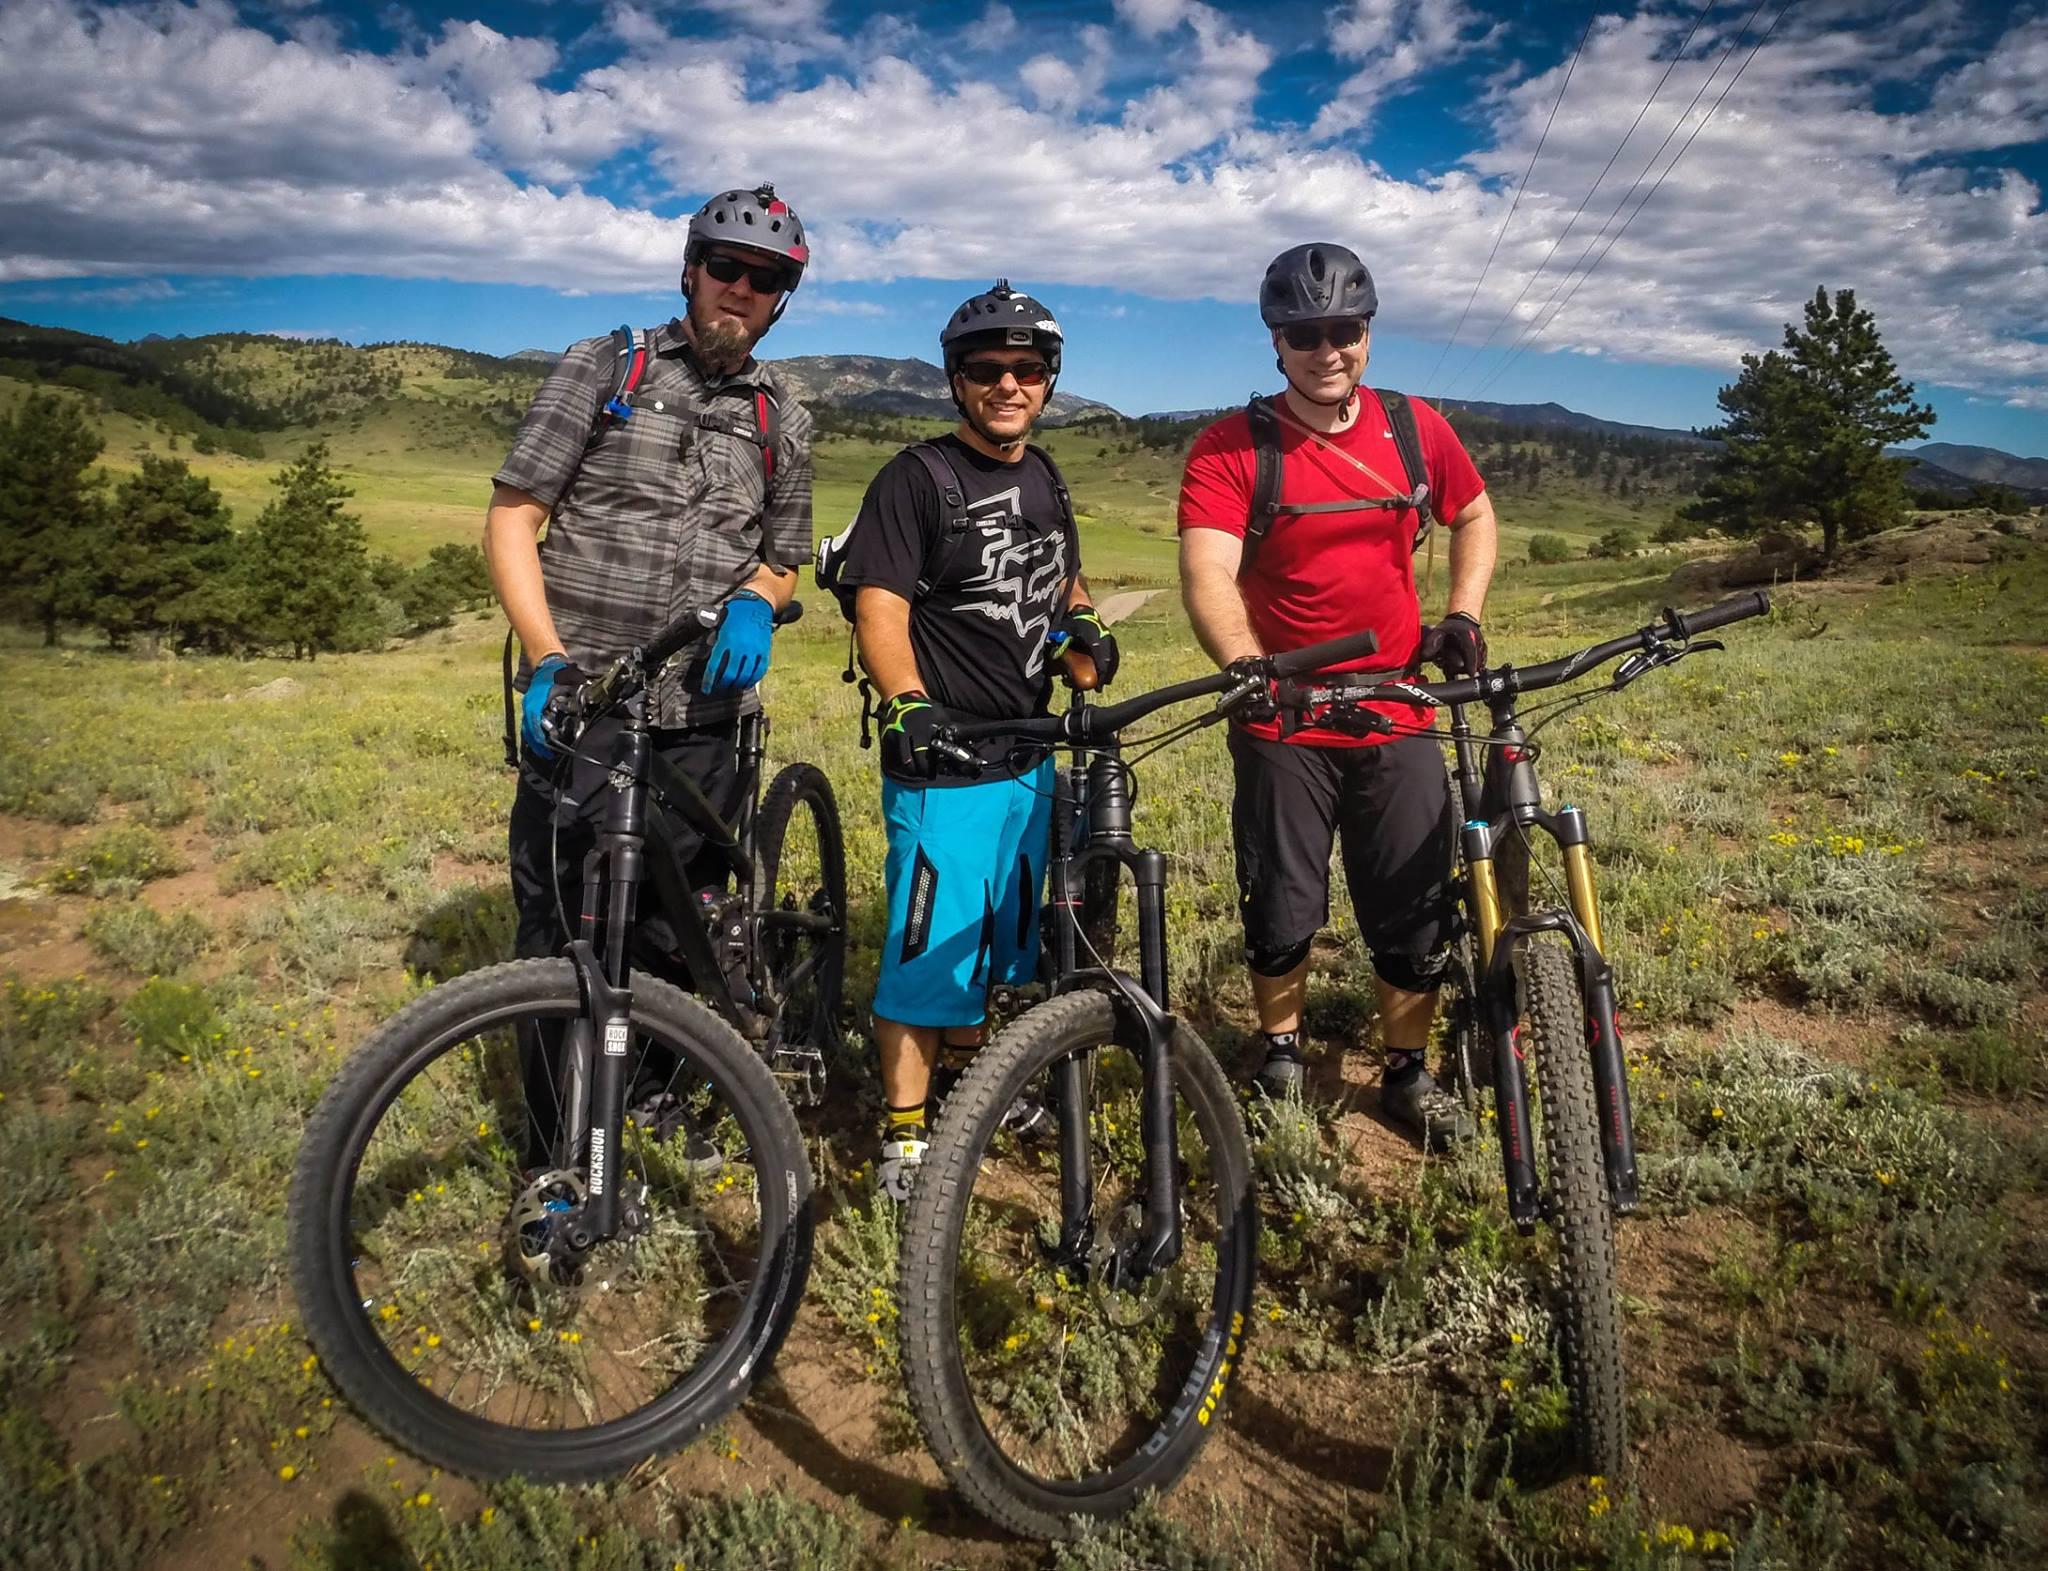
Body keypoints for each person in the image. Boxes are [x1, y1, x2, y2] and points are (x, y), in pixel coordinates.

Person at [484, 183, 814, 1163]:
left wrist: (758, 596)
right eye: (726, 267)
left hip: (703, 714)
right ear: (690, 268)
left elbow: (782, 550)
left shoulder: (781, 411)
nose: (741, 289)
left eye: (765, 279)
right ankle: (549, 1156)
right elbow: (513, 520)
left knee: (681, 926)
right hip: (579, 703)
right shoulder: (606, 366)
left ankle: (658, 1094)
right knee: (553, 931)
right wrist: (546, 657)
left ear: (779, 298)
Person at [1176, 242, 1498, 1149]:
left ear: (1367, 333)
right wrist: (1244, 661)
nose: (1328, 350)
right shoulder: (1232, 447)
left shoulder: (1413, 428)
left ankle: (1406, 1069)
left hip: (1395, 702)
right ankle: (1280, 1049)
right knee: (1281, 897)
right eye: (1306, 334)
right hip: (1285, 710)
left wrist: (1461, 615)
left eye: (1345, 332)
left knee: (1410, 897)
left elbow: (1471, 511)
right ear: (1277, 343)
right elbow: (1208, 568)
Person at [822, 280, 1119, 1199]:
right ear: (956, 381)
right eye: (988, 371)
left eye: (1028, 370)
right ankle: (907, 1140)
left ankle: (963, 1083)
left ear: (1048, 380)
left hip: (1029, 757)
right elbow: (881, 606)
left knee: (996, 943)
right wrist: (907, 701)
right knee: (924, 956)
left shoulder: (1046, 474)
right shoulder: (916, 479)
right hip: (943, 762)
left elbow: (1059, 575)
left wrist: (1084, 627)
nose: (1009, 385)